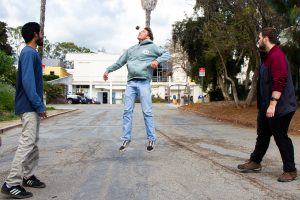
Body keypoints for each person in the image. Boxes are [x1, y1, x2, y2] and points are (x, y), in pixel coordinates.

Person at [237, 27, 298, 182]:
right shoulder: (268, 56)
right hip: (267, 105)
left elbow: (280, 81)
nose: (258, 40)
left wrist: (273, 104)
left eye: (259, 38)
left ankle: (290, 171)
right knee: (263, 134)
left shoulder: (277, 56)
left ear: (265, 38)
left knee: (280, 136)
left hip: (280, 106)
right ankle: (255, 162)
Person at [103, 27, 170, 152]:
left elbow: (167, 54)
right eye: (140, 31)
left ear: (148, 36)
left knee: (147, 112)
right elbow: (119, 63)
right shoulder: (131, 50)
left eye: (143, 32)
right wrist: (108, 70)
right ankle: (126, 138)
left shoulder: (153, 47)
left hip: (144, 83)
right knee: (127, 111)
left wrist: (157, 60)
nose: (140, 32)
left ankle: (151, 139)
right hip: (131, 83)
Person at [1, 22, 47, 199]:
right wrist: (39, 105)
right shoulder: (28, 53)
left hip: (30, 106)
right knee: (27, 143)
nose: (42, 35)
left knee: (32, 142)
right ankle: (11, 183)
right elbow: (28, 83)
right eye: (41, 32)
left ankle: (28, 176)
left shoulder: (32, 53)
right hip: (28, 106)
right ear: (35, 34)